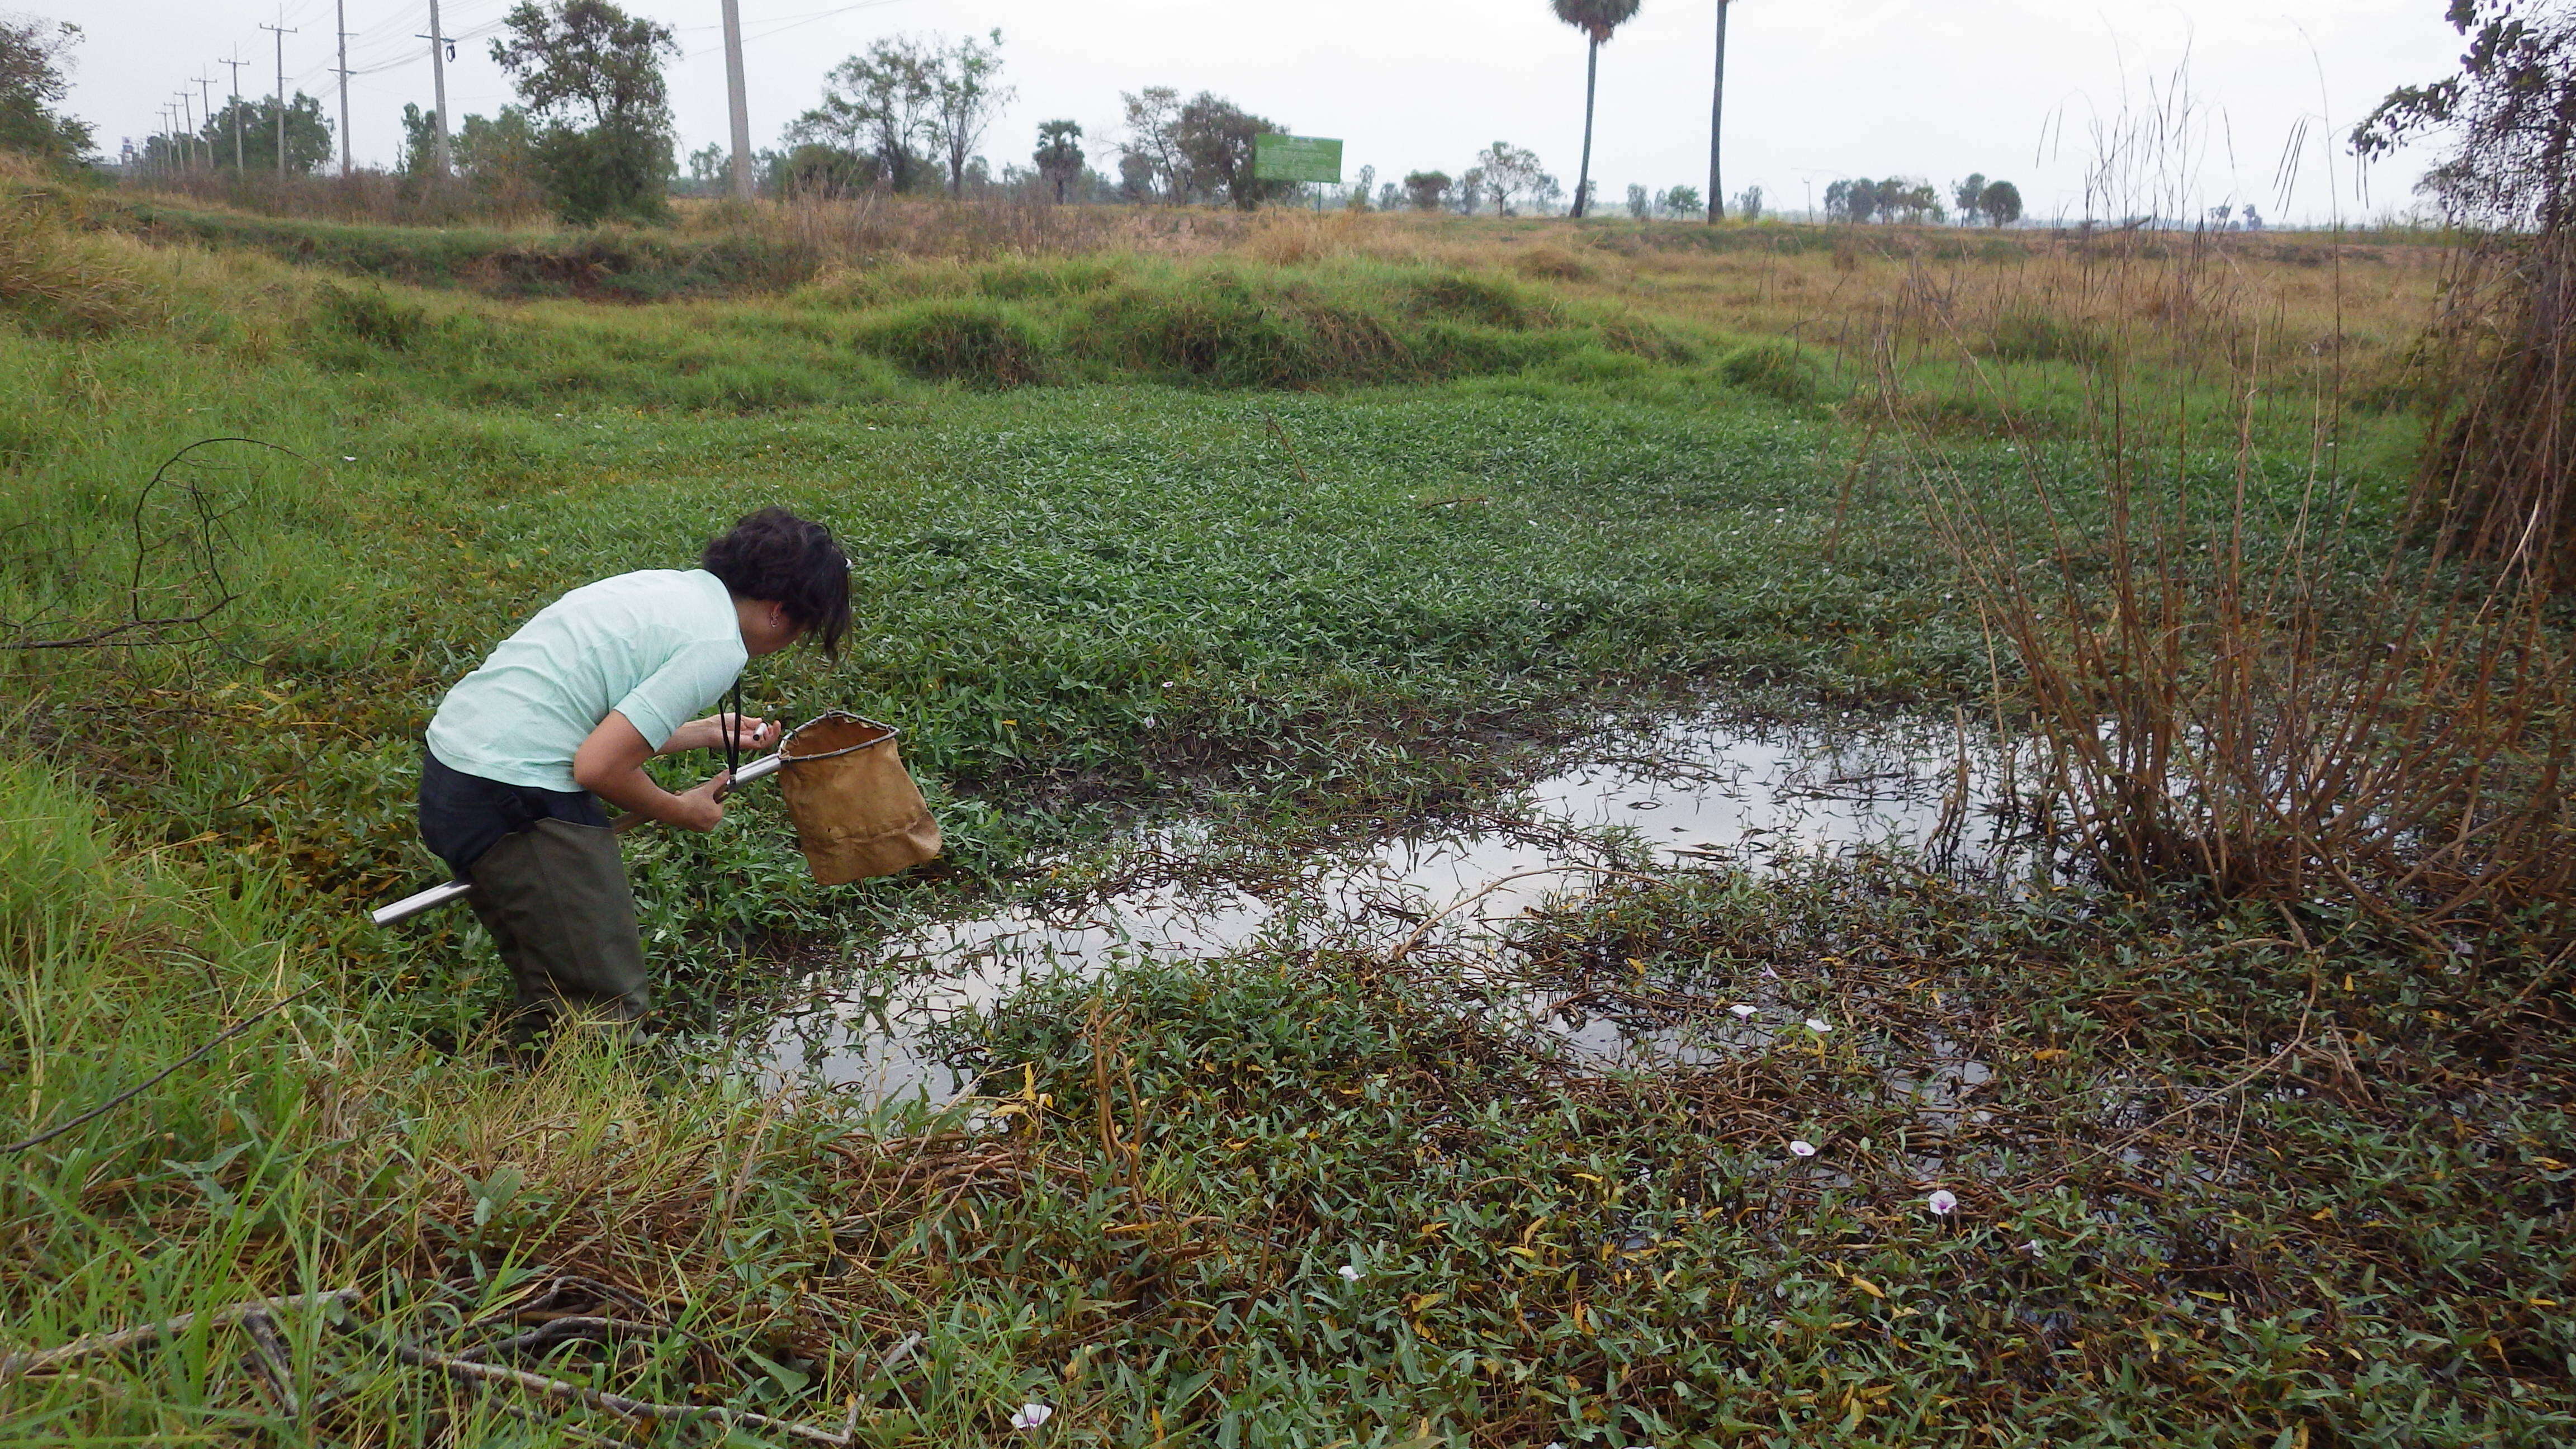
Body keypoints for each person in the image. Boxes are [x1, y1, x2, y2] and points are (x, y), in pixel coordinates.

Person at [418, 507, 851, 1049]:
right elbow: (598, 766)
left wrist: (698, 731)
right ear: (780, 612)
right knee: (602, 1002)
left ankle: (515, 1078)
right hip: (510, 794)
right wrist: (681, 809)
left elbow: (593, 721)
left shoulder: (673, 592)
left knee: (556, 970)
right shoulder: (715, 645)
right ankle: (549, 1119)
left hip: (457, 767)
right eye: (804, 629)